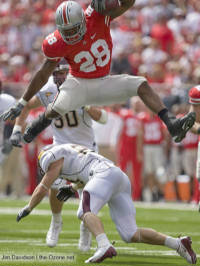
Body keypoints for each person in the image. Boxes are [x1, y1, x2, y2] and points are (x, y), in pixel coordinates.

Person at [0, 0, 196, 145]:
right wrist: (23, 102)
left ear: (82, 21)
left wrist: (118, 2)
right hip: (77, 82)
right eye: (65, 31)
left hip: (104, 81)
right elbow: (43, 73)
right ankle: (31, 132)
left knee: (141, 85)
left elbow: (128, 4)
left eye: (73, 29)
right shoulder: (57, 42)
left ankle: (172, 125)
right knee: (57, 106)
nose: (69, 35)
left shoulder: (97, 15)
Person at [16, 143, 197, 264]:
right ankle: (177, 244)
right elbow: (86, 174)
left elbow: (43, 187)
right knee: (130, 234)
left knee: (84, 211)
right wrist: (72, 188)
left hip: (105, 174)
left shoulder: (52, 158)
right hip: (116, 177)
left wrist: (28, 207)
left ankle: (104, 245)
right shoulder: (72, 155)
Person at [10, 63, 108, 250]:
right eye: (57, 73)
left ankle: (85, 227)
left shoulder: (83, 87)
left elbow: (102, 117)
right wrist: (16, 129)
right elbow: (25, 105)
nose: (60, 77)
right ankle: (56, 222)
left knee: (88, 192)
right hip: (61, 145)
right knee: (54, 187)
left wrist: (85, 105)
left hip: (86, 147)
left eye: (64, 72)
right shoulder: (48, 90)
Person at [0, 80, 23, 197]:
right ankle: (3, 191)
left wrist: (10, 138)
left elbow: (17, 119)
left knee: (13, 165)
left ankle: (17, 192)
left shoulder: (7, 100)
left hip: (10, 136)